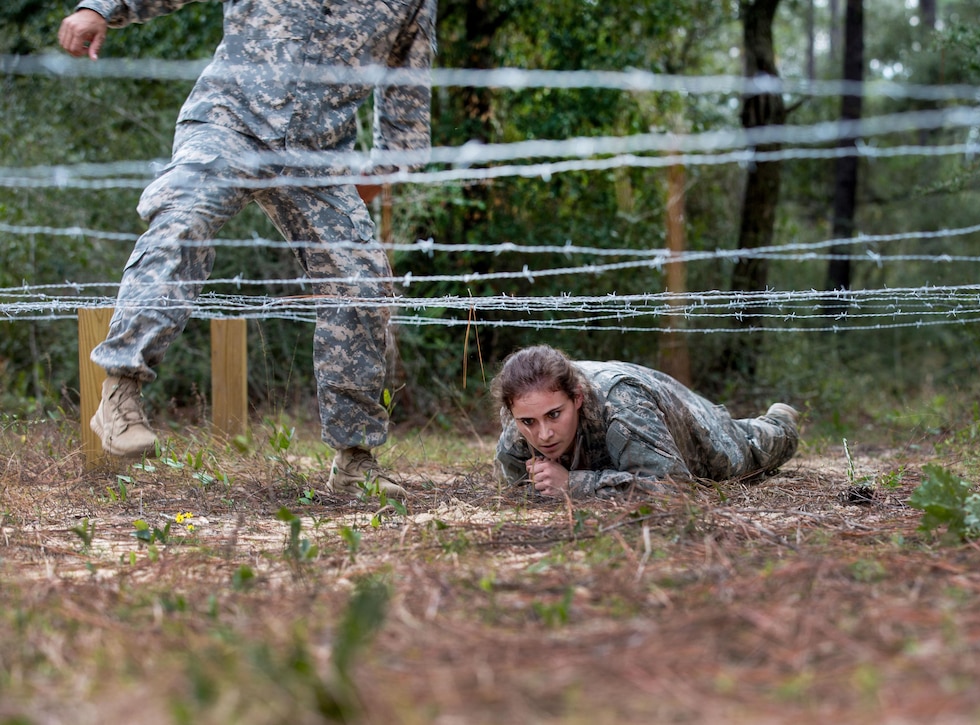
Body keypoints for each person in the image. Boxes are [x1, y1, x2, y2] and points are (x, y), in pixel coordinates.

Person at [58, 0, 437, 497]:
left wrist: (372, 179)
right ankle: (120, 394)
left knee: (363, 281)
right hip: (227, 123)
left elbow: (406, 106)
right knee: (183, 220)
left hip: (317, 155)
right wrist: (103, 8)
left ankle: (354, 461)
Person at [492, 345, 800, 499]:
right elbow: (514, 489)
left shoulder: (624, 408)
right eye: (529, 421)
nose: (543, 434)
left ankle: (778, 419)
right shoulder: (516, 435)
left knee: (749, 451)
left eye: (554, 415)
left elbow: (674, 487)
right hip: (642, 414)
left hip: (695, 428)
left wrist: (573, 484)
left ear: (577, 398)